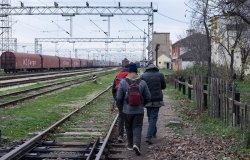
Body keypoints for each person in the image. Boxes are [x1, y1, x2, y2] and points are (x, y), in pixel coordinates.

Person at [116, 63, 151, 155]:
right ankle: (137, 145)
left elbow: (119, 97)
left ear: (129, 71)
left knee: (128, 127)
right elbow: (148, 97)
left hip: (126, 111)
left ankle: (130, 145)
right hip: (139, 110)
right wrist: (142, 104)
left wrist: (121, 107)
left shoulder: (123, 82)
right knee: (137, 127)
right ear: (136, 71)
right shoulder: (142, 82)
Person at [141, 63, 166, 144]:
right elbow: (163, 86)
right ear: (155, 68)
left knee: (150, 117)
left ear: (147, 68)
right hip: (157, 99)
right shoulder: (160, 75)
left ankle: (153, 133)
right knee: (153, 117)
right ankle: (149, 136)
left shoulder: (143, 76)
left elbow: (142, 88)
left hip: (147, 99)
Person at [111, 65, 129, 143]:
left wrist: (116, 99)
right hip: (129, 100)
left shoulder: (117, 76)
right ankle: (129, 135)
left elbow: (113, 90)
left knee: (121, 117)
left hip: (120, 100)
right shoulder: (130, 76)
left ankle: (120, 136)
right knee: (129, 117)